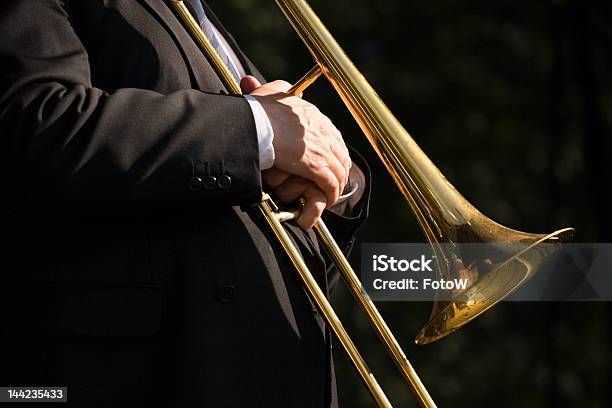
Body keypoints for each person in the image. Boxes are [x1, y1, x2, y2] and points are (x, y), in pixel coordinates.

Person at [0, 1, 369, 407]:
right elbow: (37, 121)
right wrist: (257, 130)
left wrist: (336, 176)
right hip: (140, 376)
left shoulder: (200, 18)